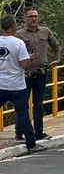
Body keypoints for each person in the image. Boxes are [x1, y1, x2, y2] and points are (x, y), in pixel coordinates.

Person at [15, 7, 61, 142]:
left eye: (35, 16)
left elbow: (56, 45)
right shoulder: (19, 35)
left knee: (39, 104)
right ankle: (19, 133)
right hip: (25, 74)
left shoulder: (45, 31)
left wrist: (57, 59)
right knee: (22, 104)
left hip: (41, 73)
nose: (33, 19)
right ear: (25, 18)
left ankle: (39, 132)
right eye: (30, 16)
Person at [0, 15, 42, 153]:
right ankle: (31, 144)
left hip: (1, 85)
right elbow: (24, 65)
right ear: (13, 27)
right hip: (17, 86)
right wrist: (28, 58)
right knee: (23, 115)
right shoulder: (18, 43)